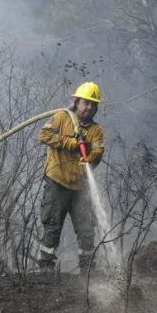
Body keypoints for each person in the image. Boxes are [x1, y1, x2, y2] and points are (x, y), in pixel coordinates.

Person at [37, 81, 105, 272]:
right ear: (77, 102)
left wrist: (89, 160)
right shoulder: (61, 118)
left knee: (86, 229)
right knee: (52, 224)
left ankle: (87, 269)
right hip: (57, 181)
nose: (89, 107)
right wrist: (69, 143)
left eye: (93, 104)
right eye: (86, 103)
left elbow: (98, 153)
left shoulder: (96, 131)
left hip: (81, 187)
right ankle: (46, 267)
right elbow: (43, 136)